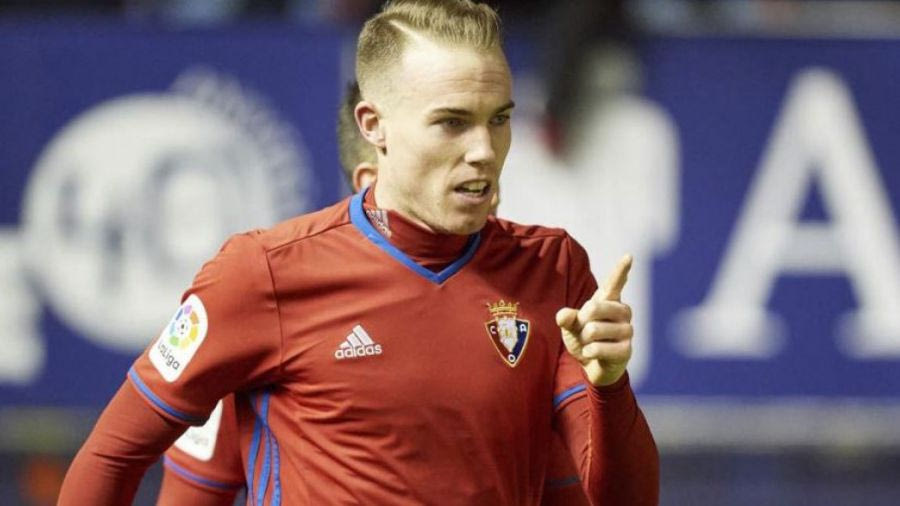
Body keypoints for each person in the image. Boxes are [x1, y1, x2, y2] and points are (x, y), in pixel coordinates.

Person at [58, 1, 659, 504]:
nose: (484, 150)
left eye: (499, 119)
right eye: (452, 123)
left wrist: (609, 385)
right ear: (374, 125)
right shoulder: (261, 276)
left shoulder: (553, 271)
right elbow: (112, 456)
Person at [155, 81, 591, 506]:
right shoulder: (264, 320)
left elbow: (569, 490)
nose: (481, 177)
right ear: (370, 178)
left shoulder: (527, 321)